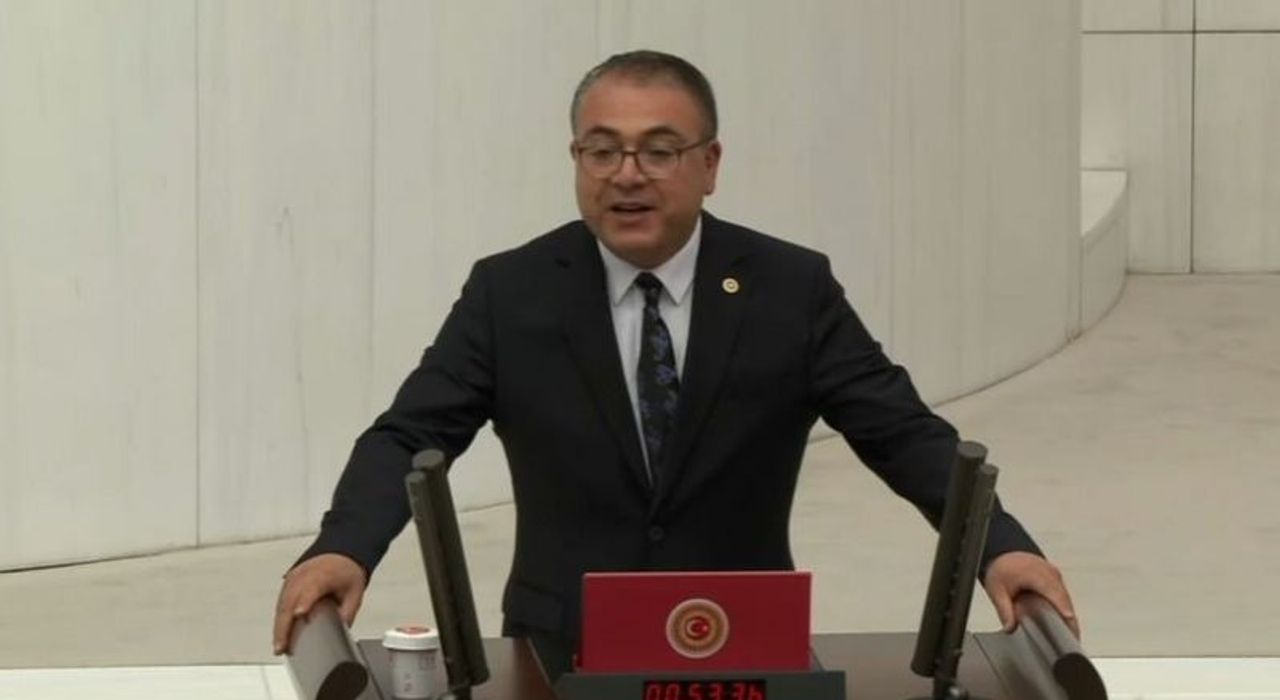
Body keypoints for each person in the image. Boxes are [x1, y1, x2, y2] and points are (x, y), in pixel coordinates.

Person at [273, 50, 1077, 668]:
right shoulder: (511, 292)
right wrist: (346, 546)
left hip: (742, 645)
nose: (627, 175)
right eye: (602, 151)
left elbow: (901, 433)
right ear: (576, 159)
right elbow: (411, 433)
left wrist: (999, 546)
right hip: (561, 655)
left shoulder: (789, 289)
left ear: (710, 165)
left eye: (659, 151)